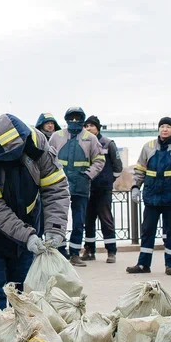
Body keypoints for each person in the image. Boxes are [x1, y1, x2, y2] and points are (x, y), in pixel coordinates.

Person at [0, 114, 69, 307]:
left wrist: (55, 229)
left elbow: (55, 188)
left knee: (23, 293)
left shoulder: (38, 143)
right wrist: (28, 236)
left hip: (26, 227)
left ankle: (22, 335)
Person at [126, 116, 171, 276]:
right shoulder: (148, 147)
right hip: (152, 197)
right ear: (159, 129)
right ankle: (143, 264)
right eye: (162, 126)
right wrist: (136, 187)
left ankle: (170, 264)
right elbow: (140, 169)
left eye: (168, 127)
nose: (164, 129)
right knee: (147, 231)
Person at [49, 107, 106, 267]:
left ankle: (75, 253)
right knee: (58, 219)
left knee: (79, 221)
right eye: (71, 118)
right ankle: (59, 251)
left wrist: (88, 174)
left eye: (77, 118)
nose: (74, 121)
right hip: (59, 186)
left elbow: (99, 159)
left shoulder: (90, 138)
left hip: (81, 186)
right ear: (66, 119)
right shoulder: (57, 136)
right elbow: (47, 157)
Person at [82, 115, 122, 264]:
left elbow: (117, 165)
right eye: (86, 126)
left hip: (103, 189)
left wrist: (110, 180)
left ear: (98, 127)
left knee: (106, 220)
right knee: (88, 220)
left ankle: (111, 251)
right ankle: (89, 250)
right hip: (87, 188)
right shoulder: (83, 143)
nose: (88, 128)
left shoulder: (108, 143)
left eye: (91, 125)